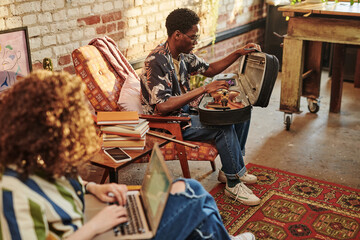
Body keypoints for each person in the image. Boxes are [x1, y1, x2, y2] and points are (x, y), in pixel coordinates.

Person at [0, 70, 256, 240]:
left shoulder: (39, 158)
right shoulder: (12, 194)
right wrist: (96, 227)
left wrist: (91, 188)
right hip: (93, 231)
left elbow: (61, 183)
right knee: (195, 202)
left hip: (93, 223)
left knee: (185, 185)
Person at [141, 8, 261, 206]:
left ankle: (230, 170)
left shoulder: (183, 55)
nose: (195, 41)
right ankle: (233, 184)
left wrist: (238, 53)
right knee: (223, 127)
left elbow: (211, 69)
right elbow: (162, 107)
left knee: (239, 111)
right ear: (177, 35)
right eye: (193, 37)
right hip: (169, 123)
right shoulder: (156, 61)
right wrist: (204, 89)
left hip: (185, 114)